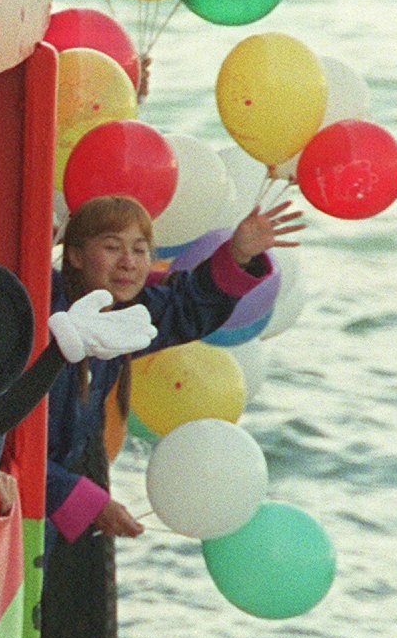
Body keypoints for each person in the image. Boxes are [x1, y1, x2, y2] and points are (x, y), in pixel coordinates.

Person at [46, 193, 304, 542]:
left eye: (139, 250)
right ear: (74, 255)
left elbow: (187, 306)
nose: (128, 262)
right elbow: (8, 448)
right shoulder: (45, 312)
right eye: (111, 247)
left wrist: (239, 254)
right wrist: (83, 501)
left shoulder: (121, 316)